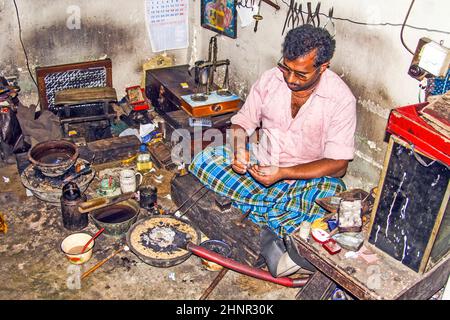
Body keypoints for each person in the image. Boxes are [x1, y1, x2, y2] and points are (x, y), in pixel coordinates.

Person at [188, 25, 356, 237]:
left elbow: (338, 166)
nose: (291, 79)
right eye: (286, 68)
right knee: (205, 158)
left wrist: (285, 173)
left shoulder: (341, 99)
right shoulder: (271, 79)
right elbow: (242, 123)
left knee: (333, 191)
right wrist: (240, 151)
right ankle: (275, 215)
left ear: (323, 67)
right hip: (259, 167)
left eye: (301, 74)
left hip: (303, 180)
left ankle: (251, 207)